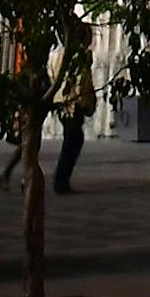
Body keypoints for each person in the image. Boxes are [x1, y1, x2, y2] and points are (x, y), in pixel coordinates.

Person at [52, 28, 96, 195]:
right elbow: (82, 80)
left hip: (62, 101)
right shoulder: (80, 56)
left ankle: (62, 180)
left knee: (72, 139)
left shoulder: (62, 53)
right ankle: (61, 181)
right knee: (73, 140)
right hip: (72, 103)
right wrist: (85, 101)